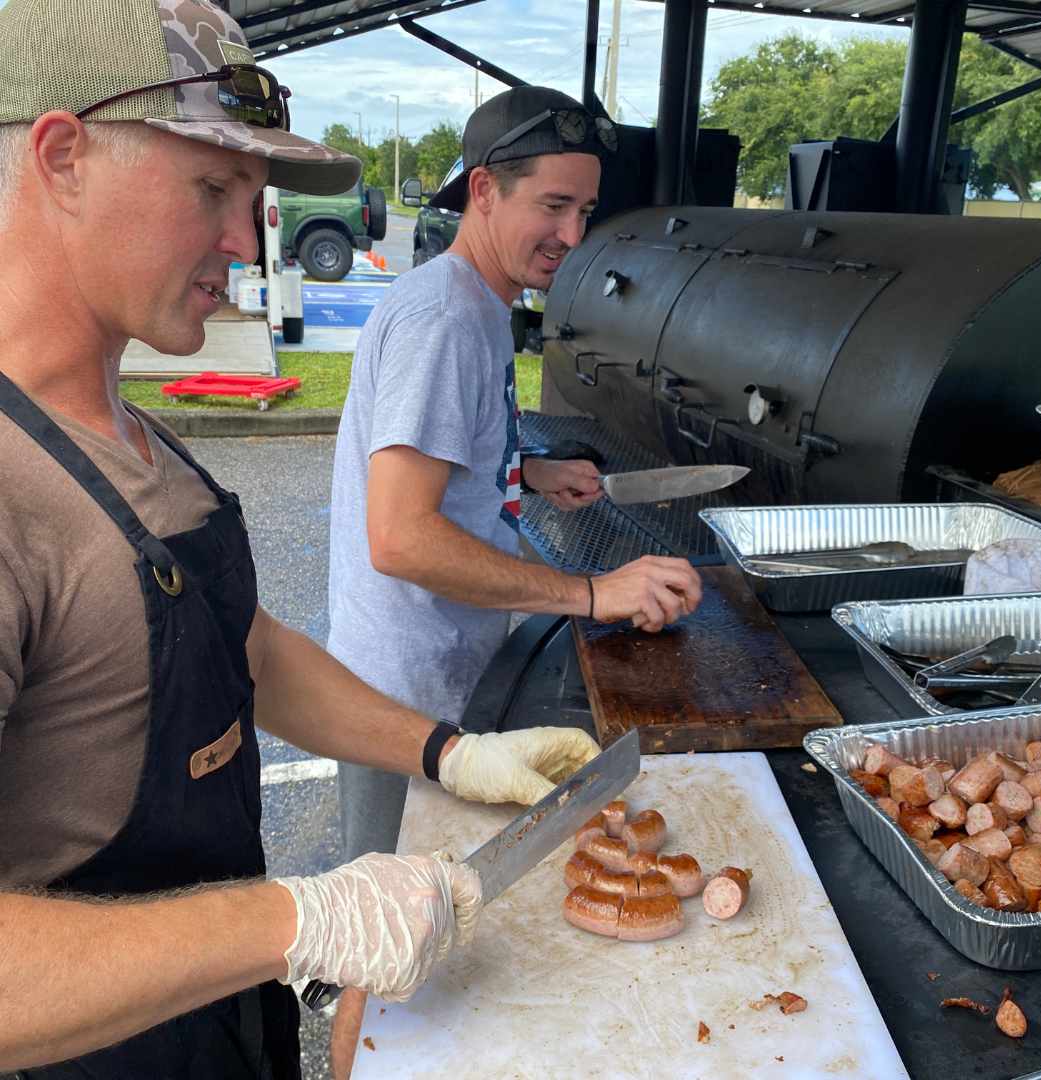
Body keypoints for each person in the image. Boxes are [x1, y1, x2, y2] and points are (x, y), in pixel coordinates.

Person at [0, 2, 601, 1076]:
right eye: (212, 187)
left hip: (214, 1027)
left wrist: (448, 751)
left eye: (256, 195)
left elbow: (245, 650)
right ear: (63, 157)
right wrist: (294, 923)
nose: (246, 237)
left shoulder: (134, 435)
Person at [326, 84, 704, 1069]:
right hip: (401, 697)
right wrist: (593, 593)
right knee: (382, 927)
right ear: (484, 191)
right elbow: (400, 538)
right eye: (554, 207)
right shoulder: (449, 318)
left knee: (420, 922)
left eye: (585, 210)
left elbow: (434, 467)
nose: (572, 235)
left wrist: (523, 472)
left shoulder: (477, 306)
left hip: (441, 672)